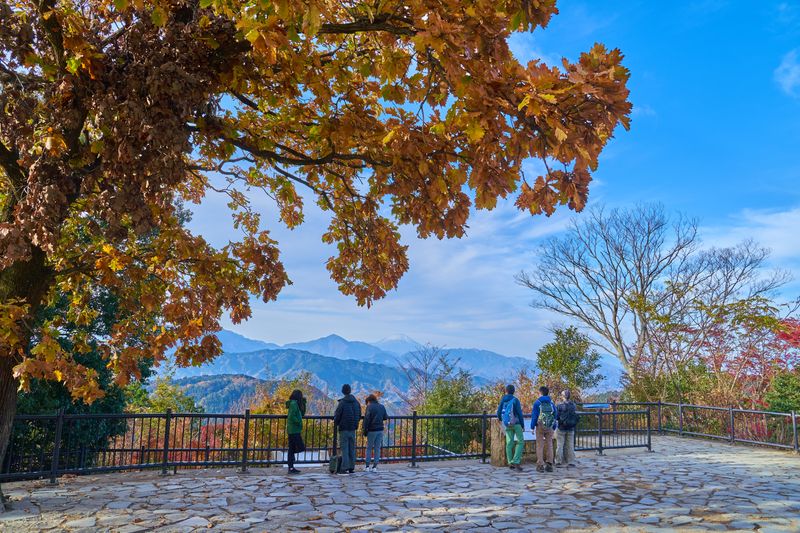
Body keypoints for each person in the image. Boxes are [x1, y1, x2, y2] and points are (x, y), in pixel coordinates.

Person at [333, 384, 361, 474]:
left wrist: (336, 423)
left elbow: (337, 415)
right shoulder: (356, 403)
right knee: (352, 448)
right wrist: (356, 424)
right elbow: (359, 415)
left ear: (343, 391)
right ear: (350, 390)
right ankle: (352, 467)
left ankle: (344, 467)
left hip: (344, 428)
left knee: (344, 448)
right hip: (353, 428)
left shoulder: (342, 403)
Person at [496, 384, 525, 471]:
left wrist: (501, 420)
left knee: (509, 443)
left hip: (507, 424)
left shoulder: (503, 400)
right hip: (516, 424)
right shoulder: (515, 400)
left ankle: (510, 462)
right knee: (520, 442)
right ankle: (516, 460)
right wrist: (522, 425)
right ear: (514, 391)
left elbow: (498, 412)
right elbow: (519, 413)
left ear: (506, 391)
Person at [531, 386, 557, 473]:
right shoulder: (551, 403)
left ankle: (540, 465)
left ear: (540, 393)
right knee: (549, 444)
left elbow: (534, 416)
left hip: (540, 425)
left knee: (540, 445)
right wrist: (554, 426)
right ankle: (549, 464)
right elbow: (555, 415)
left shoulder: (537, 403)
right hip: (549, 425)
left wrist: (532, 427)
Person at [362, 394, 389, 472]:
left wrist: (365, 430)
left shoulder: (369, 407)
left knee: (369, 448)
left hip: (372, 430)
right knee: (377, 448)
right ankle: (375, 467)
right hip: (380, 429)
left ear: (369, 401)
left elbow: (366, 419)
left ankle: (367, 466)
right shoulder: (382, 406)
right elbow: (385, 417)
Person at [555, 389, 579, 468]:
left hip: (561, 428)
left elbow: (556, 417)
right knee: (570, 445)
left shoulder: (559, 405)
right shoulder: (574, 405)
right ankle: (571, 461)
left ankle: (558, 461)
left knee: (560, 445)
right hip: (571, 428)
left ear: (563, 396)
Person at [286, 389, 307, 475]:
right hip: (294, 429)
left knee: (292, 448)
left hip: (293, 429)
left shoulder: (295, 404)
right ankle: (291, 463)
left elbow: (302, 414)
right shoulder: (294, 404)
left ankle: (291, 466)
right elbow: (291, 416)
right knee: (300, 447)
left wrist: (304, 403)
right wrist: (298, 422)